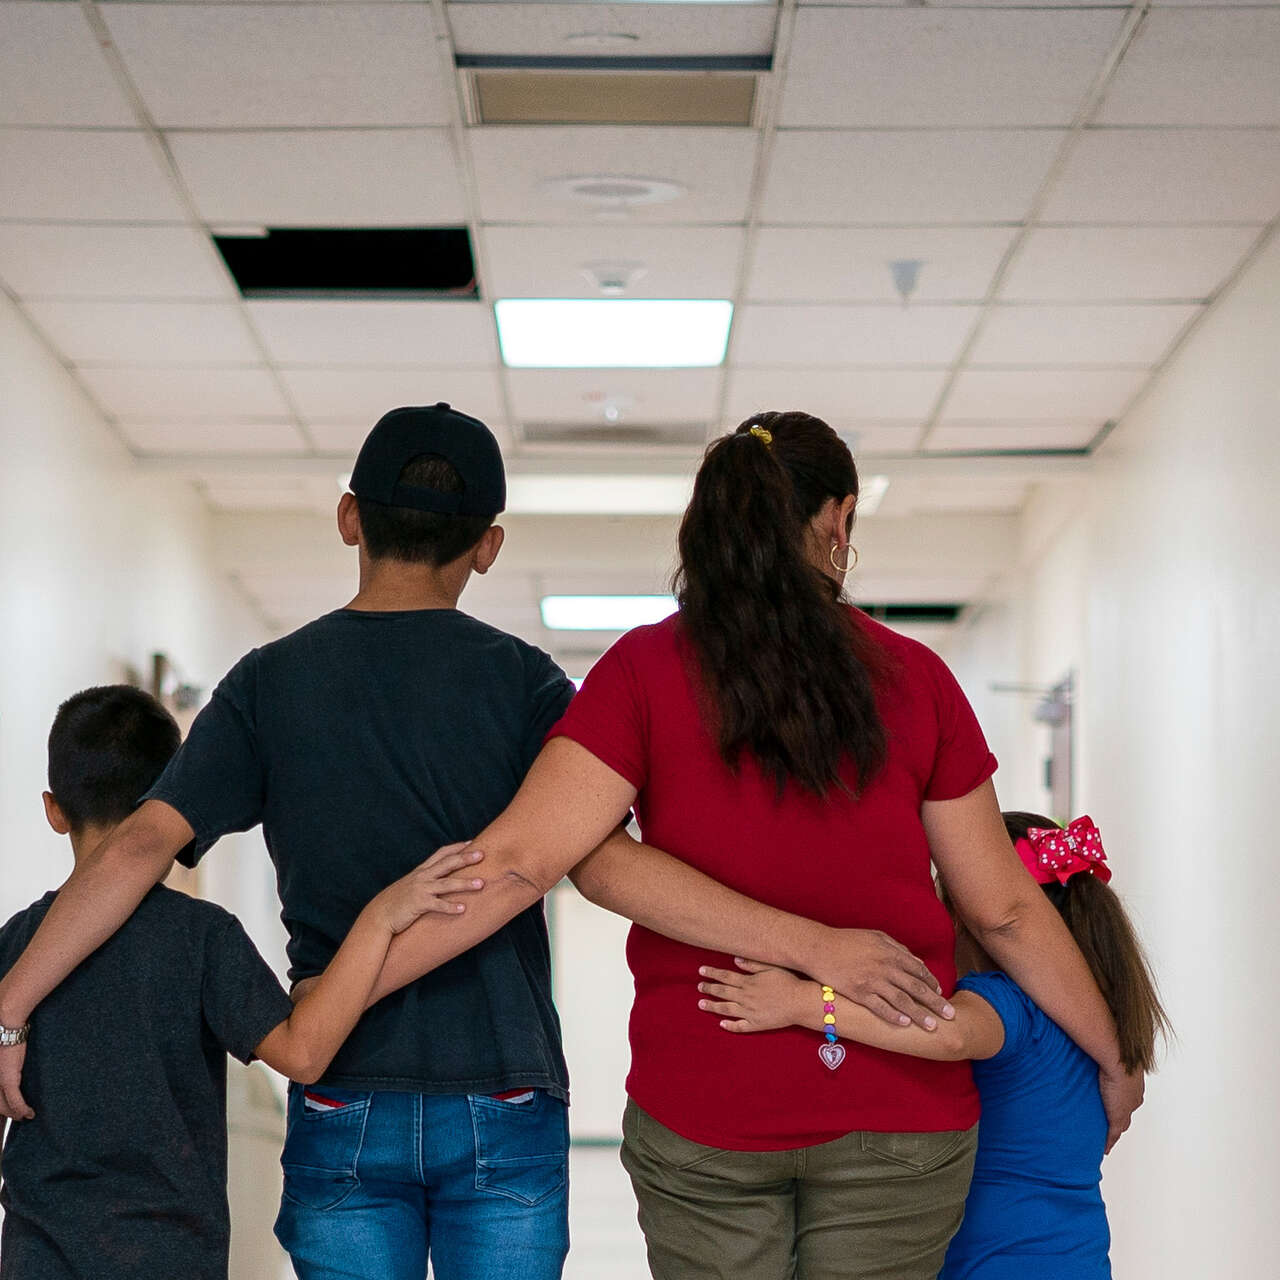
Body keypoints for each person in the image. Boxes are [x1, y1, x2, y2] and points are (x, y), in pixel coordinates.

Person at [308, 411, 1143, 1279]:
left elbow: (523, 862)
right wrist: (1114, 1060)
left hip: (706, 1105)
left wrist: (332, 999)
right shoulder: (917, 679)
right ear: (840, 519)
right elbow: (1003, 909)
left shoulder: (641, 673)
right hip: (898, 1115)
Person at [0, 404, 581, 1280]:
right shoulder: (529, 683)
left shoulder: (269, 684)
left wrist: (7, 1012)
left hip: (344, 1080)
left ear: (350, 517)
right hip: (497, 1073)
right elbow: (580, 855)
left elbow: (133, 849)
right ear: (488, 545)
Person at [0, 685, 484, 1280]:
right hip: (172, 1257)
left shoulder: (17, 947)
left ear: (54, 809)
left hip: (35, 1255)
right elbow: (302, 1054)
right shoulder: (201, 938)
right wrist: (380, 918)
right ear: (169, 803)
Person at [694, 811, 1170, 1280]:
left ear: (971, 916)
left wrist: (802, 1002)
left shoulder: (1007, 1003)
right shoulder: (1102, 1019)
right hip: (1078, 1258)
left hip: (994, 1263)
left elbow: (949, 1031)